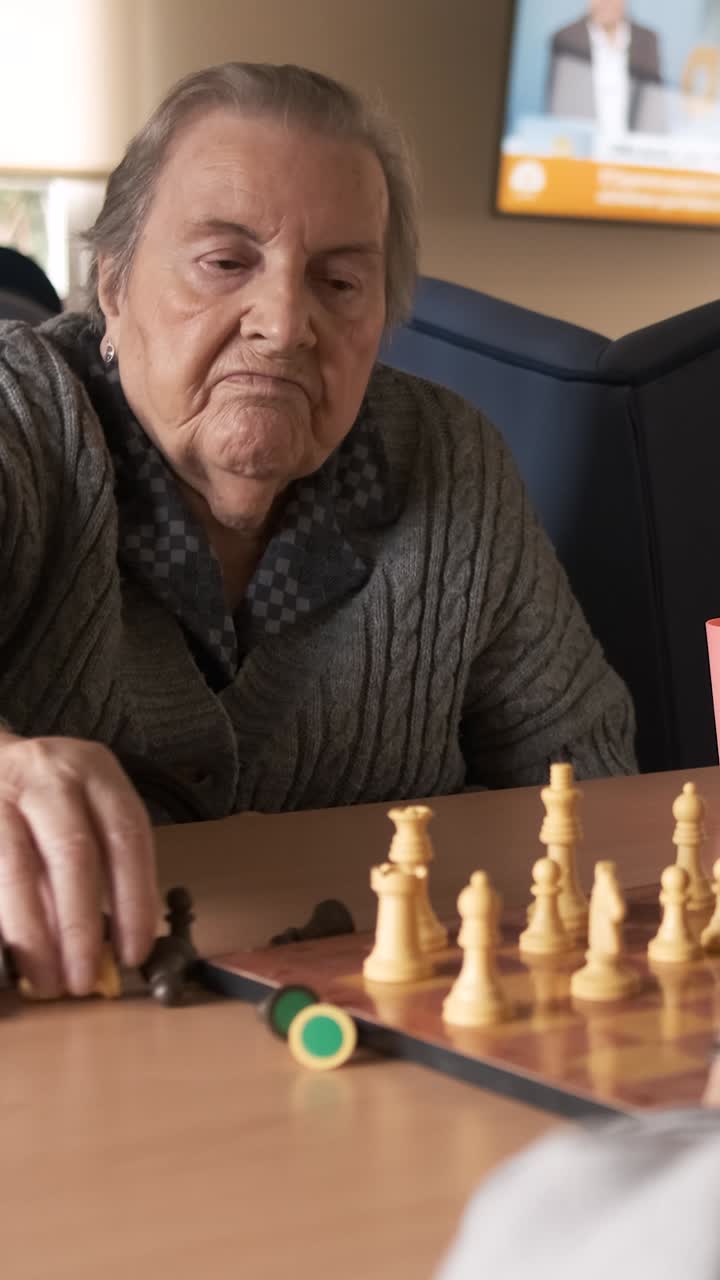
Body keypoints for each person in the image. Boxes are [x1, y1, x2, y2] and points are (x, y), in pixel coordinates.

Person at [0, 62, 635, 1000]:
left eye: (339, 280)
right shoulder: (22, 410)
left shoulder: (450, 460)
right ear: (116, 283)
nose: (285, 322)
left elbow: (591, 777)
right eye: (225, 263)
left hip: (373, 1041)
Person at [546, 0, 665, 134]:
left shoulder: (647, 40)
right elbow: (559, 107)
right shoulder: (566, 38)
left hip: (631, 146)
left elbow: (653, 106)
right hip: (583, 146)